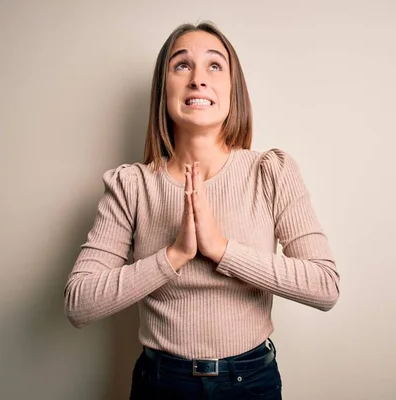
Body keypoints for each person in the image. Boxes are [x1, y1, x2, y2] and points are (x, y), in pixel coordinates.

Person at [64, 21, 340, 400]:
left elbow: (325, 286)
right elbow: (79, 304)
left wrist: (221, 249)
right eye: (181, 65)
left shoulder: (271, 172)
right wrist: (174, 256)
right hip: (161, 384)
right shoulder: (131, 185)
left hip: (251, 382)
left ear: (232, 88)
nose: (198, 79)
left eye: (214, 66)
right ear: (164, 92)